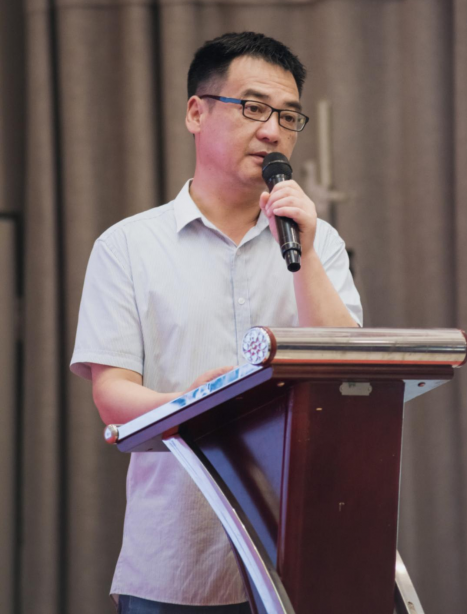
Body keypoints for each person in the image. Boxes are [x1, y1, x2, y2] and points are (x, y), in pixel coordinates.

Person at [70, 31, 362, 614]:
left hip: (297, 551)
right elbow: (113, 395)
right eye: (253, 107)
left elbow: (345, 371)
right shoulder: (127, 246)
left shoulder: (319, 240)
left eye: (288, 116)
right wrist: (195, 404)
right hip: (176, 560)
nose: (273, 131)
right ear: (196, 113)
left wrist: (304, 250)